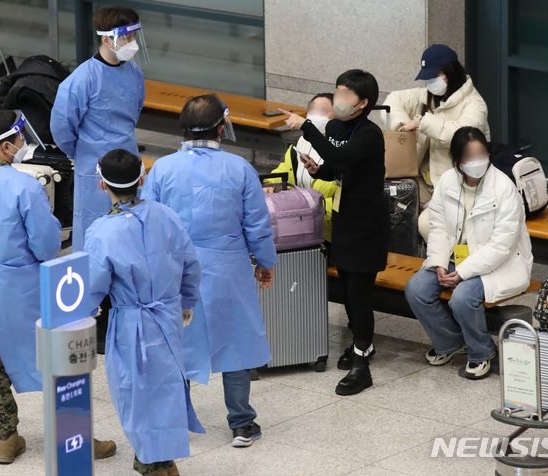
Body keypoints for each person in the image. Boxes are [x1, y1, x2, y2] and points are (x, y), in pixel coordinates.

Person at [0, 110, 100, 464]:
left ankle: (5, 438)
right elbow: (46, 244)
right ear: (5, 147)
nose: (23, 144)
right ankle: (75, 437)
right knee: (56, 357)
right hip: (21, 287)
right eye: (19, 139)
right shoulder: (24, 186)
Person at [142, 94, 277, 448]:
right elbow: (258, 225)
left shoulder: (163, 168)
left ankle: (175, 418)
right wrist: (265, 263)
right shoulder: (240, 169)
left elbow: (151, 224)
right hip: (228, 268)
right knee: (236, 341)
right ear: (222, 128)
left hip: (175, 270)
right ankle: (242, 424)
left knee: (178, 342)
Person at [86, 149, 205, 476]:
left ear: (102, 185)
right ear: (142, 179)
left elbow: (93, 285)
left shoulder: (101, 231)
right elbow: (191, 265)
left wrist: (78, 314)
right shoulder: (166, 215)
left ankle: (152, 463)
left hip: (131, 323)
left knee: (136, 394)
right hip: (167, 317)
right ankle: (164, 461)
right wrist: (186, 302)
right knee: (166, 387)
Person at [280, 70, 390, 396]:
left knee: (360, 294)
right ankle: (360, 346)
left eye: (346, 94)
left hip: (366, 224)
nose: (339, 99)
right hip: (343, 220)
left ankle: (362, 365)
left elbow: (342, 154)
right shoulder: (337, 127)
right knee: (348, 291)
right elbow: (337, 165)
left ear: (363, 102)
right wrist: (318, 169)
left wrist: (306, 127)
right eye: (338, 91)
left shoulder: (371, 134)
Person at [404, 127, 533, 380]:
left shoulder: (504, 188)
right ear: (457, 160)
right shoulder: (448, 182)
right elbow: (438, 227)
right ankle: (451, 343)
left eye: (482, 154)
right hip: (456, 258)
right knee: (416, 289)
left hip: (500, 263)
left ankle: (482, 352)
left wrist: (461, 273)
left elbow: (501, 246)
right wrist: (440, 262)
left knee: (462, 298)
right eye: (470, 157)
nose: (478, 162)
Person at [51, 5, 146, 253]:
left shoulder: (134, 71)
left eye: (134, 36)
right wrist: (81, 153)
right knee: (94, 233)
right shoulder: (83, 79)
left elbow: (134, 111)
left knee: (130, 230)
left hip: (129, 162)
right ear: (106, 39)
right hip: (95, 168)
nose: (132, 43)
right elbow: (61, 126)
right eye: (126, 37)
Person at [383, 44, 490, 241]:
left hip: (459, 188)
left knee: (427, 225)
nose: (431, 82)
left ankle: (447, 264)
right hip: (425, 184)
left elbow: (464, 135)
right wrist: (403, 127)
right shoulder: (430, 97)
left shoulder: (475, 104)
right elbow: (393, 99)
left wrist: (422, 122)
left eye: (435, 75)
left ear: (450, 72)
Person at [264, 93, 336, 242]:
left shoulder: (343, 148)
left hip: (332, 235)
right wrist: (269, 185)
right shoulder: (300, 145)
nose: (317, 115)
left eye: (323, 110)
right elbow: (283, 172)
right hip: (299, 229)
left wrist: (309, 211)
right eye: (313, 111)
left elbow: (343, 201)